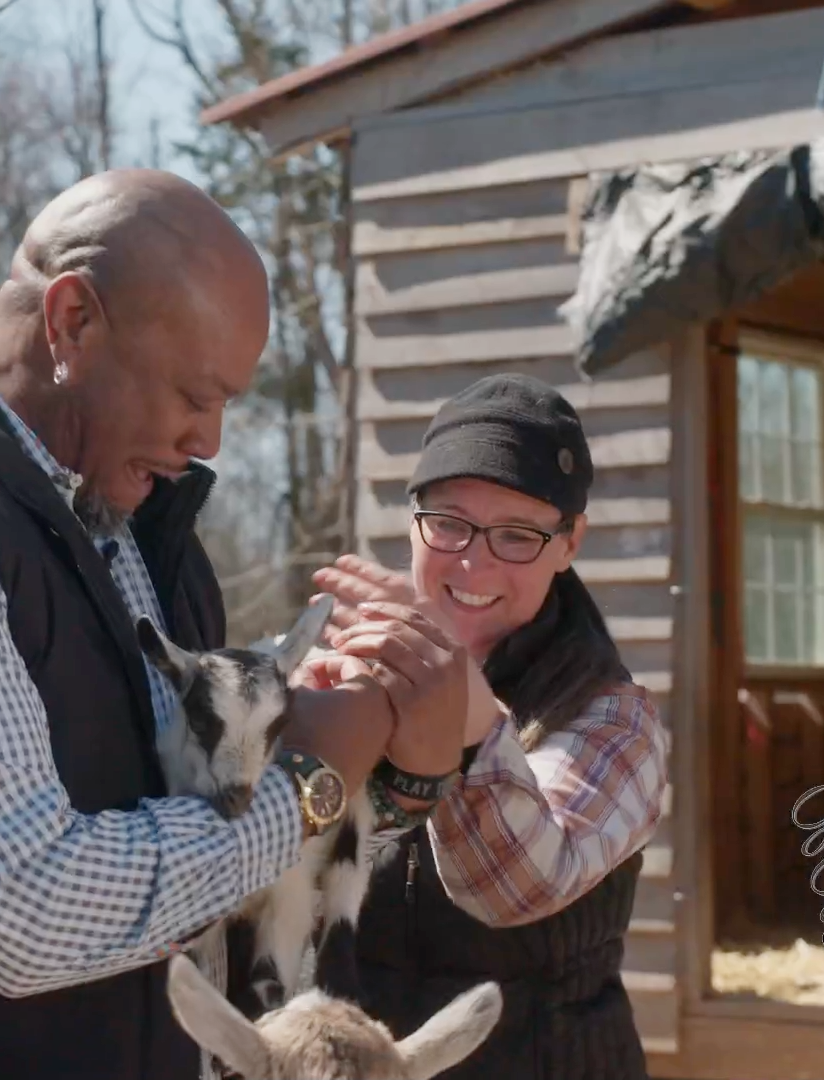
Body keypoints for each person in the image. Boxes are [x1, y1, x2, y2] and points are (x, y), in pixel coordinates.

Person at [0, 169, 468, 1080]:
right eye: (195, 395)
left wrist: (394, 779)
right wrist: (306, 784)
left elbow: (196, 869)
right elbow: (17, 913)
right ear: (72, 323)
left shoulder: (137, 531)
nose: (212, 441)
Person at [300, 373, 672, 1080]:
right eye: (449, 523)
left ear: (569, 543)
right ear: (414, 520)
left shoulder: (614, 720)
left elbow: (518, 891)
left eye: (517, 535)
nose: (474, 561)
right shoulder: (350, 671)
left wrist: (465, 717)